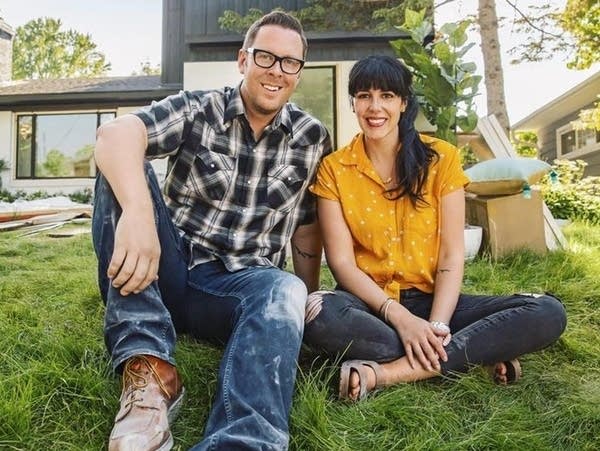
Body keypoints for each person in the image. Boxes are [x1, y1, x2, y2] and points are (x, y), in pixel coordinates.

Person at [92, 11, 331, 450]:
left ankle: (242, 440)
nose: (276, 71)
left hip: (241, 288)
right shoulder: (199, 108)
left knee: (286, 289)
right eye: (265, 57)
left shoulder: (312, 137)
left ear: (299, 71)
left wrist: (303, 305)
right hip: (165, 268)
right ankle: (148, 374)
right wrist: (141, 216)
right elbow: (114, 135)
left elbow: (307, 225)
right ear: (243, 59)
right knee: (121, 167)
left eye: (289, 62)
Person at [303, 55, 567, 401]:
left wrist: (438, 324)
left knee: (547, 311)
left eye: (386, 95)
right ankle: (476, 353)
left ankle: (385, 373)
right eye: (364, 95)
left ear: (403, 103)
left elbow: (451, 254)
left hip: (435, 301)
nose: (374, 106)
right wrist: (401, 319)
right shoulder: (334, 169)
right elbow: (342, 264)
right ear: (353, 102)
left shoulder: (441, 158)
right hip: (369, 304)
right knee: (317, 313)